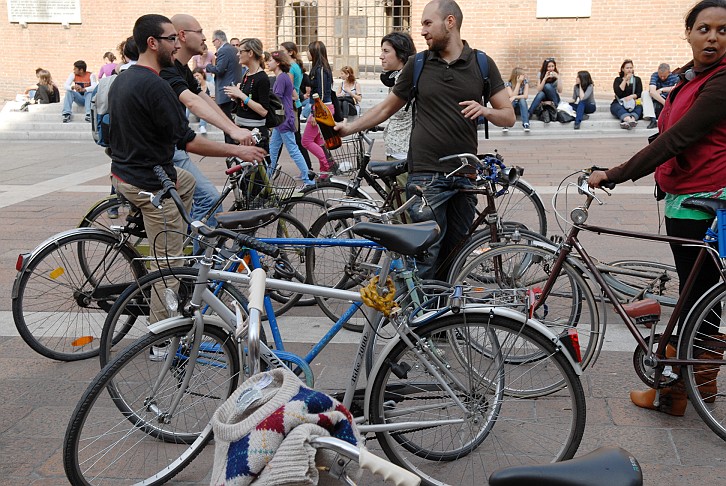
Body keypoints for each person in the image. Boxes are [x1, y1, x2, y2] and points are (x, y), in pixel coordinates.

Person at [589, 0, 726, 417]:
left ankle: (686, 391)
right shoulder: (691, 78)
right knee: (694, 295)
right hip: (683, 197)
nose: (714, 37)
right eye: (704, 28)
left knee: (698, 298)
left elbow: (678, 138)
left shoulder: (720, 82)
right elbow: (665, 135)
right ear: (688, 33)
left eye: (723, 30)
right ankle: (680, 391)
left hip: (701, 201)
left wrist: (615, 174)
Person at [338, 0, 514, 280]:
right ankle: (418, 321)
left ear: (450, 22)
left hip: (465, 175)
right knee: (426, 257)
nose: (422, 31)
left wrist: (485, 110)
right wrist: (349, 128)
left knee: (455, 256)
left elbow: (508, 115)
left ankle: (441, 320)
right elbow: (386, 108)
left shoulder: (481, 63)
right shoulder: (417, 64)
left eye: (427, 23)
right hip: (426, 177)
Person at [109, 14, 266, 320]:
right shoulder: (156, 86)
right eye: (170, 39)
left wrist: (232, 131)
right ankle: (162, 336)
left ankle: (179, 244)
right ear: (153, 43)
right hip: (150, 182)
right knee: (167, 266)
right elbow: (188, 141)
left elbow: (197, 100)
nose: (175, 44)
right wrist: (236, 149)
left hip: (125, 173)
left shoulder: (125, 77)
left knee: (188, 181)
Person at [161, 14, 256, 232]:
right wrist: (234, 132)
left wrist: (234, 128)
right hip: (167, 149)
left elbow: (202, 96)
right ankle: (200, 264)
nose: (205, 38)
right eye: (201, 32)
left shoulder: (182, 67)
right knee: (210, 199)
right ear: (183, 36)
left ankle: (190, 244)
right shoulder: (169, 68)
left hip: (175, 146)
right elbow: (192, 102)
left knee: (190, 208)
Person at [267, 50, 315, 187]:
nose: (268, 63)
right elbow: (294, 95)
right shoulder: (283, 77)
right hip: (282, 118)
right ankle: (267, 177)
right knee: (273, 149)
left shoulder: (281, 78)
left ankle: (308, 179)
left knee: (292, 149)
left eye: (270, 60)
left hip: (282, 119)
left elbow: (276, 99)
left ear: (277, 63)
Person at [224, 38, 271, 152]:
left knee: (256, 168)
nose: (237, 54)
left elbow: (263, 111)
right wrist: (236, 97)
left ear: (250, 53)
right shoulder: (247, 74)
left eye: (241, 51)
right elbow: (247, 101)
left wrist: (241, 95)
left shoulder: (262, 78)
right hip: (243, 129)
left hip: (255, 132)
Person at [379, 31, 416, 162]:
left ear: (401, 55)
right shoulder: (396, 78)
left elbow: (384, 110)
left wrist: (352, 127)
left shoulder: (405, 80)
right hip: (396, 151)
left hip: (403, 154)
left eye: (386, 51)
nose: (381, 56)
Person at [302, 40, 337, 177]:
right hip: (321, 108)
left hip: (322, 110)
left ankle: (328, 165)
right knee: (317, 141)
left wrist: (316, 114)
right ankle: (324, 172)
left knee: (306, 141)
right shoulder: (319, 68)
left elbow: (321, 94)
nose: (306, 53)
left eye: (308, 50)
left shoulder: (321, 69)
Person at [280, 41, 313, 174]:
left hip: (292, 106)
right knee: (289, 139)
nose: (280, 53)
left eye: (282, 50)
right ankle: (307, 168)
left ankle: (307, 169)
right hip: (294, 105)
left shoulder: (291, 68)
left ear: (290, 52)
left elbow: (289, 88)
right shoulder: (294, 66)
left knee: (295, 139)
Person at [206, 30, 243, 143]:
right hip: (232, 88)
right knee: (229, 119)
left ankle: (231, 143)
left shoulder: (224, 50)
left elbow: (219, 69)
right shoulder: (232, 50)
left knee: (225, 120)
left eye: (213, 42)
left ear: (218, 40)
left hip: (225, 90)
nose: (214, 44)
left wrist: (208, 67)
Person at [642, 63, 680, 129]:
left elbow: (676, 88)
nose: (662, 78)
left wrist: (662, 89)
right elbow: (652, 91)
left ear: (669, 72)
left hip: (668, 97)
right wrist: (665, 103)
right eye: (660, 76)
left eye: (664, 76)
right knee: (645, 93)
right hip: (657, 98)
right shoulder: (655, 75)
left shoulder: (675, 77)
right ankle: (652, 119)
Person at [610, 59, 643, 130]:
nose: (629, 70)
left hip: (633, 102)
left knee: (639, 107)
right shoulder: (618, 80)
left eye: (631, 68)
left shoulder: (637, 79)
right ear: (623, 69)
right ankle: (629, 120)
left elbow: (639, 93)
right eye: (627, 68)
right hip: (620, 102)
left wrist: (631, 96)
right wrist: (625, 80)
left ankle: (630, 120)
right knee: (617, 107)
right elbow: (618, 92)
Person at [528, 58, 562, 122]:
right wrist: (544, 78)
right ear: (545, 67)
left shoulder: (557, 74)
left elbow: (560, 90)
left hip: (554, 98)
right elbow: (539, 89)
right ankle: (529, 113)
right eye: (549, 66)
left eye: (552, 66)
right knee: (541, 93)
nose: (551, 68)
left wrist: (558, 78)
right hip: (544, 97)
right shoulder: (540, 74)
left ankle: (555, 105)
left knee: (547, 86)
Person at [503, 67, 530, 132]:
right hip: (512, 107)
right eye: (523, 75)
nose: (524, 76)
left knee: (522, 100)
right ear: (517, 76)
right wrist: (518, 83)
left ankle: (526, 123)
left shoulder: (525, 82)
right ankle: (506, 124)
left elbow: (525, 96)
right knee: (511, 101)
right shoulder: (508, 84)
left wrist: (515, 97)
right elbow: (511, 96)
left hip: (521, 107)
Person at [190, 68, 209, 134]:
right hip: (197, 110)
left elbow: (214, 98)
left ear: (203, 74)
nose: (196, 78)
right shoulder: (194, 87)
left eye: (197, 75)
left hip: (207, 111)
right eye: (194, 76)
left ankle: (202, 126)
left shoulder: (210, 85)